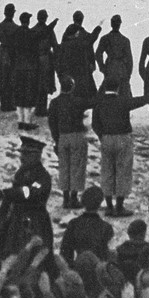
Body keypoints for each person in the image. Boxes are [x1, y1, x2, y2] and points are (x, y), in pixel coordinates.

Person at [92, 74, 149, 216]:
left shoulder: (99, 103)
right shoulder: (123, 101)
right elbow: (146, 99)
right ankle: (120, 206)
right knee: (123, 171)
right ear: (118, 88)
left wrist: (102, 136)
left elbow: (95, 124)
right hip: (123, 138)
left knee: (107, 171)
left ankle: (109, 206)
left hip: (106, 138)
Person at [0, 134, 53, 258]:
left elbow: (29, 193)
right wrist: (2, 218)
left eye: (26, 155)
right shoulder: (22, 173)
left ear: (36, 156)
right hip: (16, 217)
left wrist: (5, 193)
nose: (22, 158)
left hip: (34, 220)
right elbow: (12, 197)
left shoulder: (42, 176)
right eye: (22, 154)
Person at [47, 75, 96, 208]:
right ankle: (74, 198)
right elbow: (93, 102)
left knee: (64, 168)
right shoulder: (78, 101)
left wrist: (56, 140)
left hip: (62, 136)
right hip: (77, 136)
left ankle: (65, 198)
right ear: (72, 87)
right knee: (77, 167)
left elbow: (52, 123)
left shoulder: (54, 102)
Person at [60, 185, 113, 260]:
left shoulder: (73, 223)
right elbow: (105, 253)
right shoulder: (106, 227)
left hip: (79, 263)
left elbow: (65, 251)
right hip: (98, 265)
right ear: (100, 203)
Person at [12, 12, 42, 131]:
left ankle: (20, 120)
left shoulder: (15, 33)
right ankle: (27, 121)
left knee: (19, 94)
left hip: (18, 67)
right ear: (28, 21)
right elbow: (35, 52)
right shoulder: (31, 34)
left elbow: (12, 50)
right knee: (28, 95)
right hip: (29, 68)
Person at [0, 2, 19, 111]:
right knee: (11, 78)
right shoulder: (16, 28)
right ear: (13, 13)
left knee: (1, 78)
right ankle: (11, 103)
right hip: (12, 54)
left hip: (2, 53)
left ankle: (3, 103)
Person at [96, 15, 133, 96]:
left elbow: (98, 54)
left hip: (110, 68)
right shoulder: (125, 40)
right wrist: (128, 74)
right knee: (124, 95)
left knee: (104, 95)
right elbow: (130, 60)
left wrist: (102, 68)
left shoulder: (105, 38)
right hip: (121, 69)